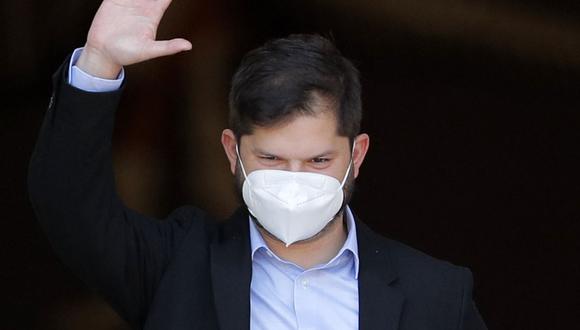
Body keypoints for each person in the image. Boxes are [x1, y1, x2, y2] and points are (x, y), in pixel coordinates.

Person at [28, 0, 487, 329]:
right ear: (232, 151)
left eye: (318, 160)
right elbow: (69, 205)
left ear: (357, 154)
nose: (294, 180)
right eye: (271, 158)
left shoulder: (436, 295)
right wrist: (99, 62)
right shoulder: (177, 267)